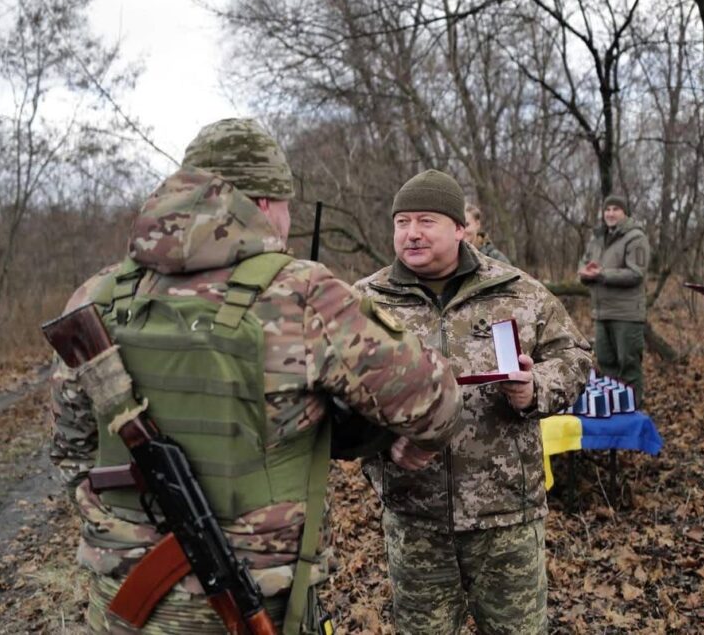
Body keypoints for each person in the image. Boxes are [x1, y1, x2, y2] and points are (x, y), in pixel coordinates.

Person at [48, 119, 464, 633]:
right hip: (254, 602)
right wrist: (410, 442)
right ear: (265, 203)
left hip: (120, 597)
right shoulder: (301, 294)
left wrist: (130, 527)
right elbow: (437, 404)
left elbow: (71, 450)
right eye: (286, 204)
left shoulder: (99, 295)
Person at [355, 169, 591, 635]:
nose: (412, 233)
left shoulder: (516, 290)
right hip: (415, 519)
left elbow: (575, 357)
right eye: (402, 222)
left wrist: (535, 388)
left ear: (460, 228)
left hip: (506, 519)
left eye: (426, 221)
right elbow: (338, 396)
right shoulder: (366, 301)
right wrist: (383, 441)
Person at [578, 194, 650, 405]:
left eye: (615, 209)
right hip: (602, 313)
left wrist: (602, 274)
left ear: (624, 213)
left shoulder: (635, 238)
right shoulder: (597, 239)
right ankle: (614, 410)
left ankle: (633, 411)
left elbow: (636, 273)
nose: (610, 213)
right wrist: (585, 273)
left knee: (628, 367)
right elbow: (583, 264)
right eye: (607, 209)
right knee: (606, 364)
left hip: (627, 315)